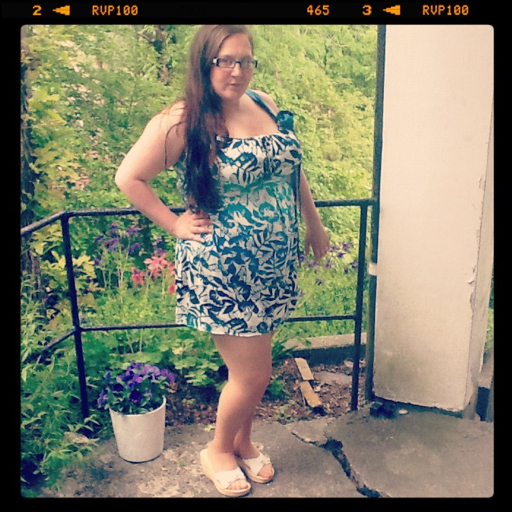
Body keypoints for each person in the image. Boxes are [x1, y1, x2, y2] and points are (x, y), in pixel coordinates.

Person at [115, 25, 330, 497]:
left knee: (252, 368)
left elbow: (292, 169)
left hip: (273, 264)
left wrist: (313, 223)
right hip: (223, 269)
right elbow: (129, 177)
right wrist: (173, 223)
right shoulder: (182, 119)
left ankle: (242, 443)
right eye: (225, 61)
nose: (237, 71)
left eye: (245, 61)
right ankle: (217, 450)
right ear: (204, 63)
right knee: (253, 374)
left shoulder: (264, 103)